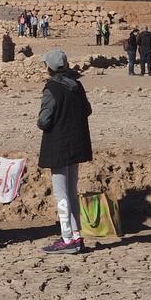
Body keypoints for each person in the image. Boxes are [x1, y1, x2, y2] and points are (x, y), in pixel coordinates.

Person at [37, 48, 93, 254]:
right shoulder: (77, 85)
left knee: (61, 193)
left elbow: (44, 121)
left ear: (49, 68)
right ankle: (76, 235)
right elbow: (87, 110)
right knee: (71, 191)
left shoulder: (51, 88)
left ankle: (67, 237)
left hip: (58, 145)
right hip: (76, 144)